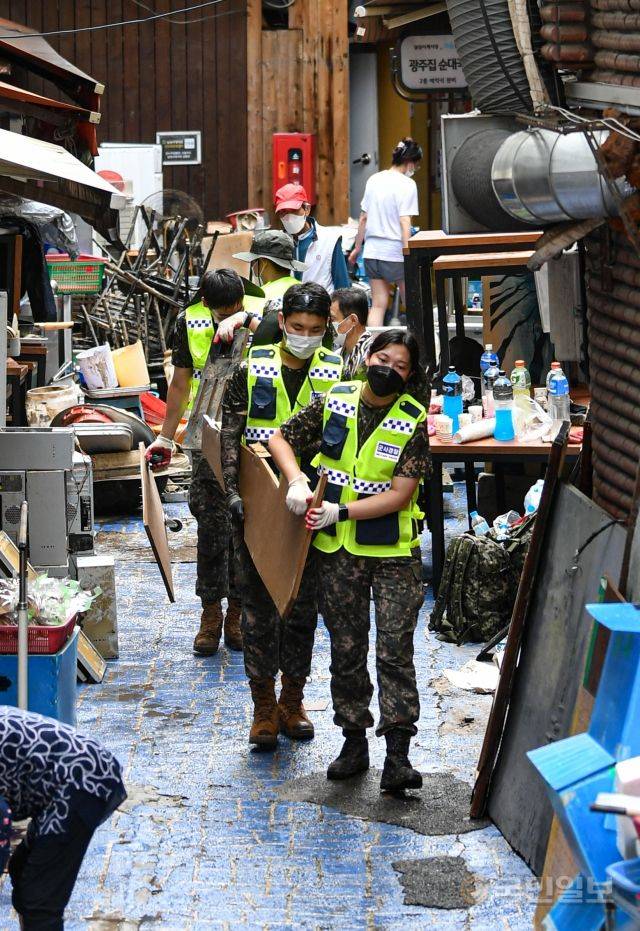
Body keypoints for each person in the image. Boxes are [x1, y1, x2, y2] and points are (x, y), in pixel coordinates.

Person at [268, 330, 430, 792]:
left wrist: (341, 511)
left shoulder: (412, 419)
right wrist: (297, 480)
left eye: (400, 365)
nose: (389, 369)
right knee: (346, 648)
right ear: (365, 358)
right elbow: (281, 438)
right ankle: (353, 741)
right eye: (383, 358)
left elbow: (401, 495)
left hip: (394, 554)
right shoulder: (334, 399)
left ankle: (398, 755)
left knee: (395, 651)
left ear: (410, 374)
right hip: (338, 553)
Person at [221, 282, 343, 750]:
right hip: (258, 502)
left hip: (314, 503)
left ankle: (294, 701)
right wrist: (233, 494)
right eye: (297, 327)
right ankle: (263, 706)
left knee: (301, 607)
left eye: (315, 329)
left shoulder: (337, 372)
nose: (306, 336)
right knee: (257, 610)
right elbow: (230, 437)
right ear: (282, 324)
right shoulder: (251, 369)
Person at [146, 269, 252, 656]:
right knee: (210, 525)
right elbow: (180, 382)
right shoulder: (189, 321)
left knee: (245, 525)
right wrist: (164, 434)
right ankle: (211, 613)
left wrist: (248, 319)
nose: (229, 315)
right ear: (204, 303)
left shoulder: (258, 317)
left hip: (249, 437)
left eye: (235, 308)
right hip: (204, 437)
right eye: (222, 310)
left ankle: (238, 613)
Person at [0, 707, 126, 930]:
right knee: (22, 867)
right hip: (58, 781)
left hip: (82, 779)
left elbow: (2, 821)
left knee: (39, 898)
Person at [349, 138, 422, 327]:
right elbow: (405, 220)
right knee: (412, 304)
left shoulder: (374, 179)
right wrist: (409, 251)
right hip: (395, 252)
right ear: (410, 162)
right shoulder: (407, 185)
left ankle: (370, 348)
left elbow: (363, 218)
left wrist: (357, 248)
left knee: (378, 305)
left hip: (372, 253)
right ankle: (420, 348)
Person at [274, 183, 350, 293]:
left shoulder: (329, 240)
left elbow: (343, 289)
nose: (289, 217)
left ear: (307, 209)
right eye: (283, 212)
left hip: (322, 307)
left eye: (293, 210)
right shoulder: (276, 243)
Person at [330, 287, 373, 380]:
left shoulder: (369, 356)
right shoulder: (338, 354)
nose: (328, 324)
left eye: (332, 319)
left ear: (353, 320)